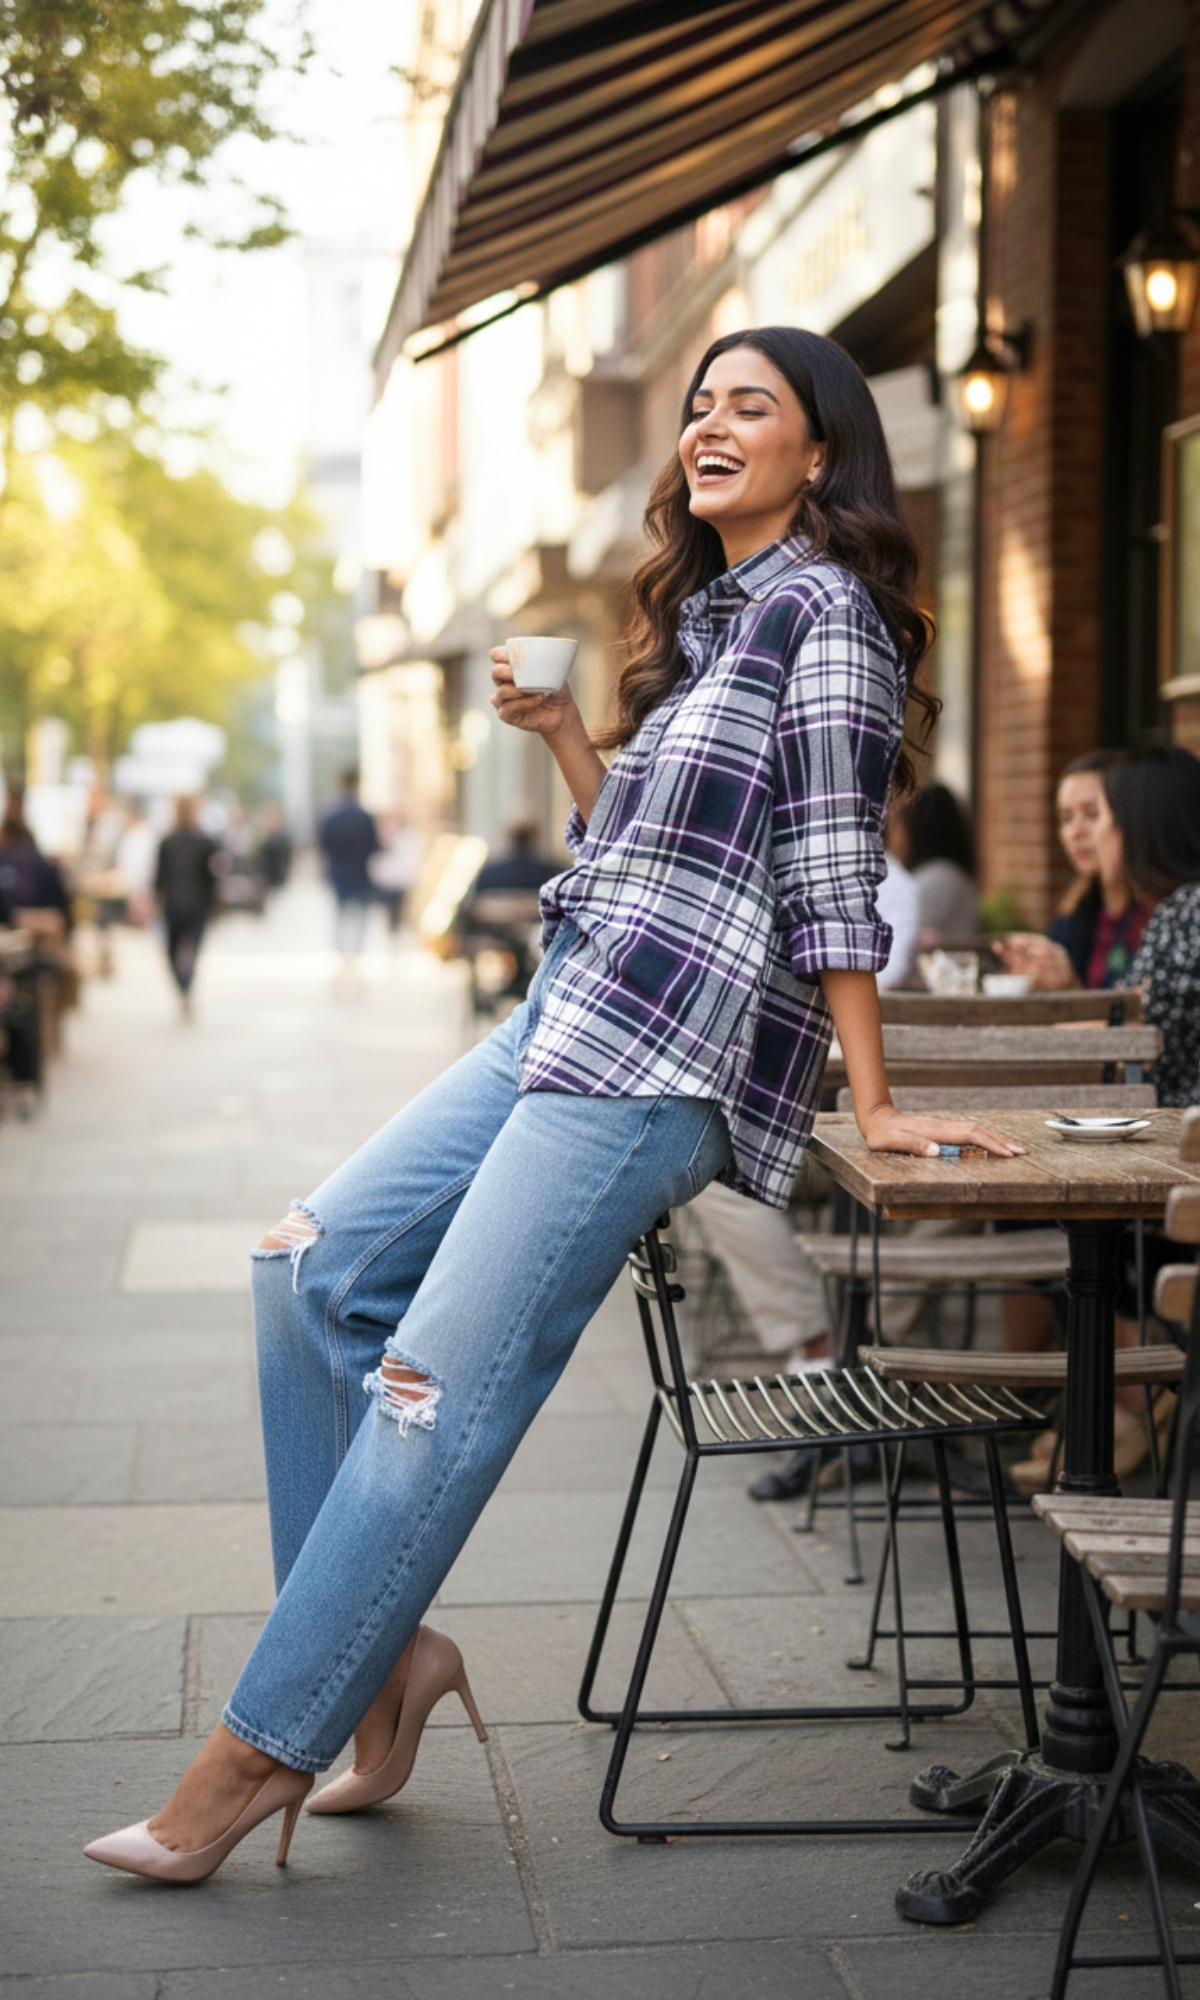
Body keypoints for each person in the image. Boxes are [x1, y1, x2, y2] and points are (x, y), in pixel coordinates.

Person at [83, 325, 1026, 1884]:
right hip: (566, 1009)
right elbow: (650, 858)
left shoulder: (829, 619)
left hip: (657, 1065)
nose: (709, 425)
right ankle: (386, 1658)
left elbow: (827, 873)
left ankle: (256, 1752)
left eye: (751, 407)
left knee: (424, 1387)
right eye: (700, 404)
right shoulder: (716, 617)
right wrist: (574, 744)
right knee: (304, 1264)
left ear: (819, 451)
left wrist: (874, 1096)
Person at [996, 751, 1145, 991]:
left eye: (1093, 813)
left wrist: (1070, 988)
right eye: (1066, 818)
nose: (1076, 832)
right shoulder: (1074, 916)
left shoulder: (1162, 919)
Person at [888, 782, 979, 950]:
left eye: (897, 826)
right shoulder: (946, 874)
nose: (893, 838)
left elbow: (898, 943)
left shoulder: (938, 879)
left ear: (918, 829)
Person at [154, 797, 219, 1019]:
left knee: (174, 951)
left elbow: (159, 878)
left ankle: (184, 988)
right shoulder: (199, 842)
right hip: (192, 905)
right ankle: (185, 987)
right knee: (189, 950)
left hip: (178, 905)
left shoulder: (174, 842)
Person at [317, 768, 380, 984]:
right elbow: (374, 846)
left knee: (340, 918)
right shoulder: (364, 816)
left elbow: (323, 845)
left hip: (339, 874)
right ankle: (357, 959)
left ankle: (341, 960)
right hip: (360, 874)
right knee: (360, 919)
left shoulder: (331, 815)